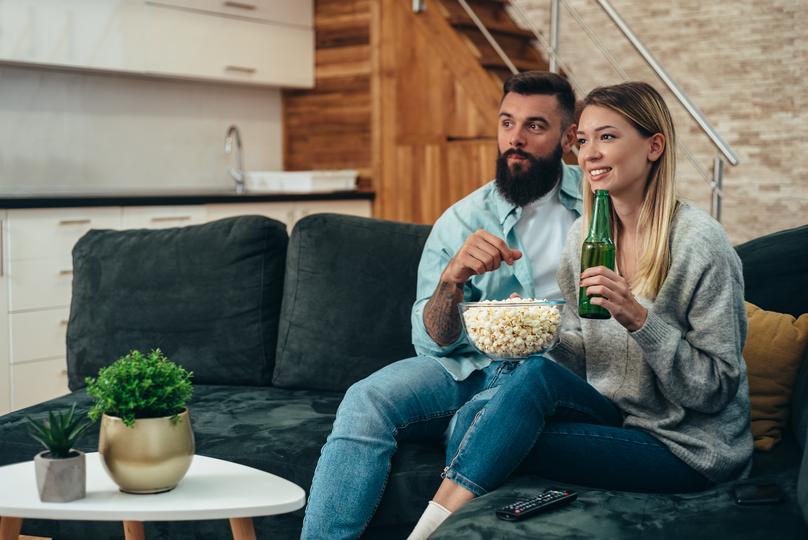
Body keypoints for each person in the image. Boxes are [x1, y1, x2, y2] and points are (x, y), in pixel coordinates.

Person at [418, 81, 754, 535]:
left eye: (608, 137)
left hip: (686, 447)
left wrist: (640, 319)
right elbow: (584, 351)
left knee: (480, 431)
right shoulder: (584, 237)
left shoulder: (699, 243)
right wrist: (540, 330)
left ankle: (426, 531)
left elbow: (716, 390)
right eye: (583, 141)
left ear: (654, 146)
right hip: (618, 415)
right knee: (499, 402)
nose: (589, 153)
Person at [300, 71, 583, 539]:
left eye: (535, 126)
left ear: (568, 137)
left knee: (479, 424)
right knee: (365, 398)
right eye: (507, 122)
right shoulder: (464, 219)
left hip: (547, 372)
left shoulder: (598, 208)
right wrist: (452, 284)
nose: (515, 138)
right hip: (467, 365)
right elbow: (430, 340)